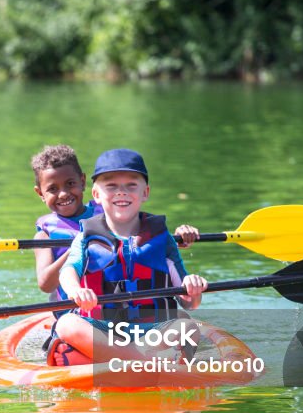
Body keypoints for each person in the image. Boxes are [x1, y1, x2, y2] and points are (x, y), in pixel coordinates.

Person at [50, 148, 206, 367]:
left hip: (151, 331)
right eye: (111, 186)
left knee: (187, 326)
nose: (121, 192)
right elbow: (68, 272)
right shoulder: (86, 237)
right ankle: (145, 363)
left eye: (131, 185)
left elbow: (190, 303)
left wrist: (193, 288)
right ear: (96, 194)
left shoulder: (162, 239)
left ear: (145, 192)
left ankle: (111, 359)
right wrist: (76, 290)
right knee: (66, 323)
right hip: (101, 327)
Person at [31, 145, 100, 300]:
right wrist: (77, 248)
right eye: (52, 189)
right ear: (40, 193)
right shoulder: (44, 236)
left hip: (113, 304)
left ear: (82, 181)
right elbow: (45, 284)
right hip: (74, 310)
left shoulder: (107, 215)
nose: (63, 194)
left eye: (70, 184)